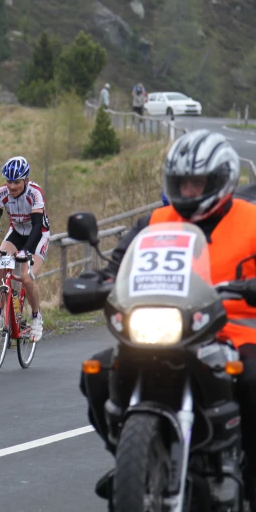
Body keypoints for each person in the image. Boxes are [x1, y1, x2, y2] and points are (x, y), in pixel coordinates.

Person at [79, 130, 256, 499]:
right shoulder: (156, 221)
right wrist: (95, 282)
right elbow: (118, 265)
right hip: (166, 327)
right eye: (181, 183)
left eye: (197, 183)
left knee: (253, 379)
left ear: (221, 180)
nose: (189, 191)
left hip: (234, 330)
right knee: (96, 372)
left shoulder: (251, 220)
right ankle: (134, 463)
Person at [0, 156, 51, 342]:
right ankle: (0, 313)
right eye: (8, 182)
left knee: (26, 278)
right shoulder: (1, 193)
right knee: (0, 269)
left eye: (16, 182)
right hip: (16, 232)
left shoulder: (35, 193)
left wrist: (26, 251)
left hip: (38, 235)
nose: (12, 186)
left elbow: (38, 225)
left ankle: (37, 317)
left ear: (26, 181)